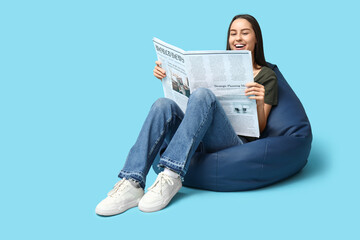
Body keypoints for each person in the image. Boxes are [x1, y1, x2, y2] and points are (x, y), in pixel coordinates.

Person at [95, 14, 278, 216]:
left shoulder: (266, 75)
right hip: (200, 135)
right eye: (233, 33)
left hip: (234, 142)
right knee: (162, 104)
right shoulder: (217, 67)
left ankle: (171, 175)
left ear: (256, 38)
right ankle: (132, 181)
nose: (238, 38)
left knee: (203, 95)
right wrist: (167, 76)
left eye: (245, 33)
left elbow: (260, 128)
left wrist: (260, 102)